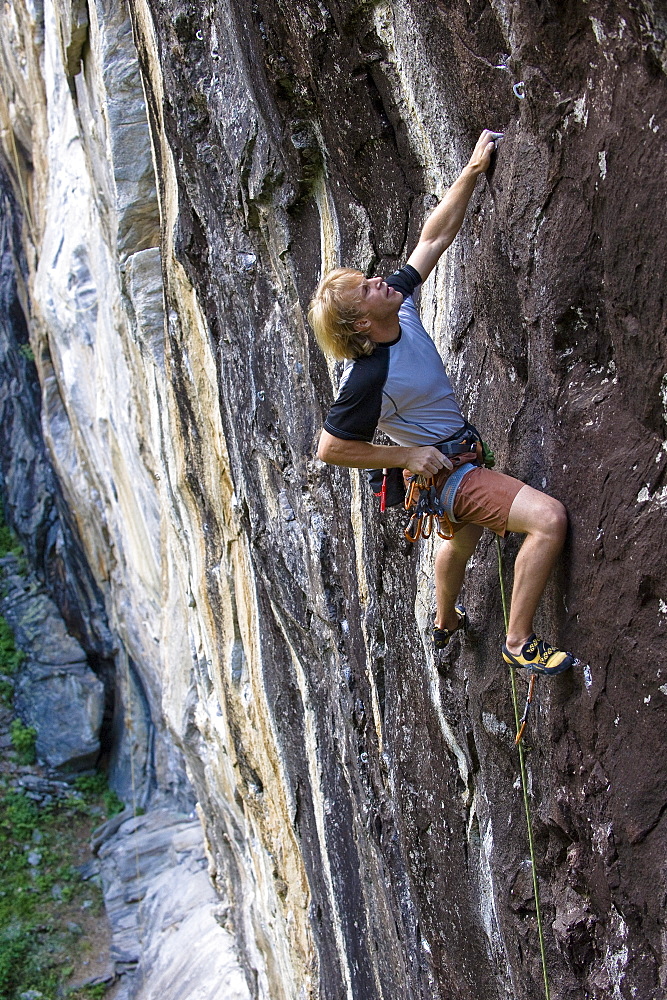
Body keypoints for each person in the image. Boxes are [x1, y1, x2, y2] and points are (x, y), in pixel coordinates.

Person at [308, 129, 576, 676]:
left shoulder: (396, 309)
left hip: (454, 463)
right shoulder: (368, 376)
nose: (380, 279)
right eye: (366, 287)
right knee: (548, 520)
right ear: (362, 322)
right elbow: (330, 447)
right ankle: (518, 641)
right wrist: (405, 457)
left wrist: (473, 171)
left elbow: (433, 239)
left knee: (460, 540)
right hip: (446, 471)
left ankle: (445, 618)